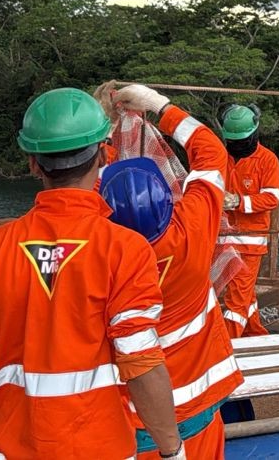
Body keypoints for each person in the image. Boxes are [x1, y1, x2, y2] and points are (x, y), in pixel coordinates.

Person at [0, 87, 184, 460]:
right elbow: (142, 362)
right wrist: (171, 451)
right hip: (99, 447)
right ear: (102, 155)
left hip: (9, 447)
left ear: (33, 163)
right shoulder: (125, 249)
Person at [103, 84, 243, 460]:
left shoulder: (99, 256)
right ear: (169, 197)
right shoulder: (193, 227)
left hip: (130, 418)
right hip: (199, 407)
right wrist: (159, 105)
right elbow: (210, 152)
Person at [215, 103, 279, 337]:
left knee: (237, 299)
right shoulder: (223, 157)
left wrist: (238, 202)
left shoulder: (267, 160)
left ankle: (228, 344)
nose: (237, 147)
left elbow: (272, 198)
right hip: (224, 238)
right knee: (244, 293)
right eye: (233, 142)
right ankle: (256, 335)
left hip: (251, 241)